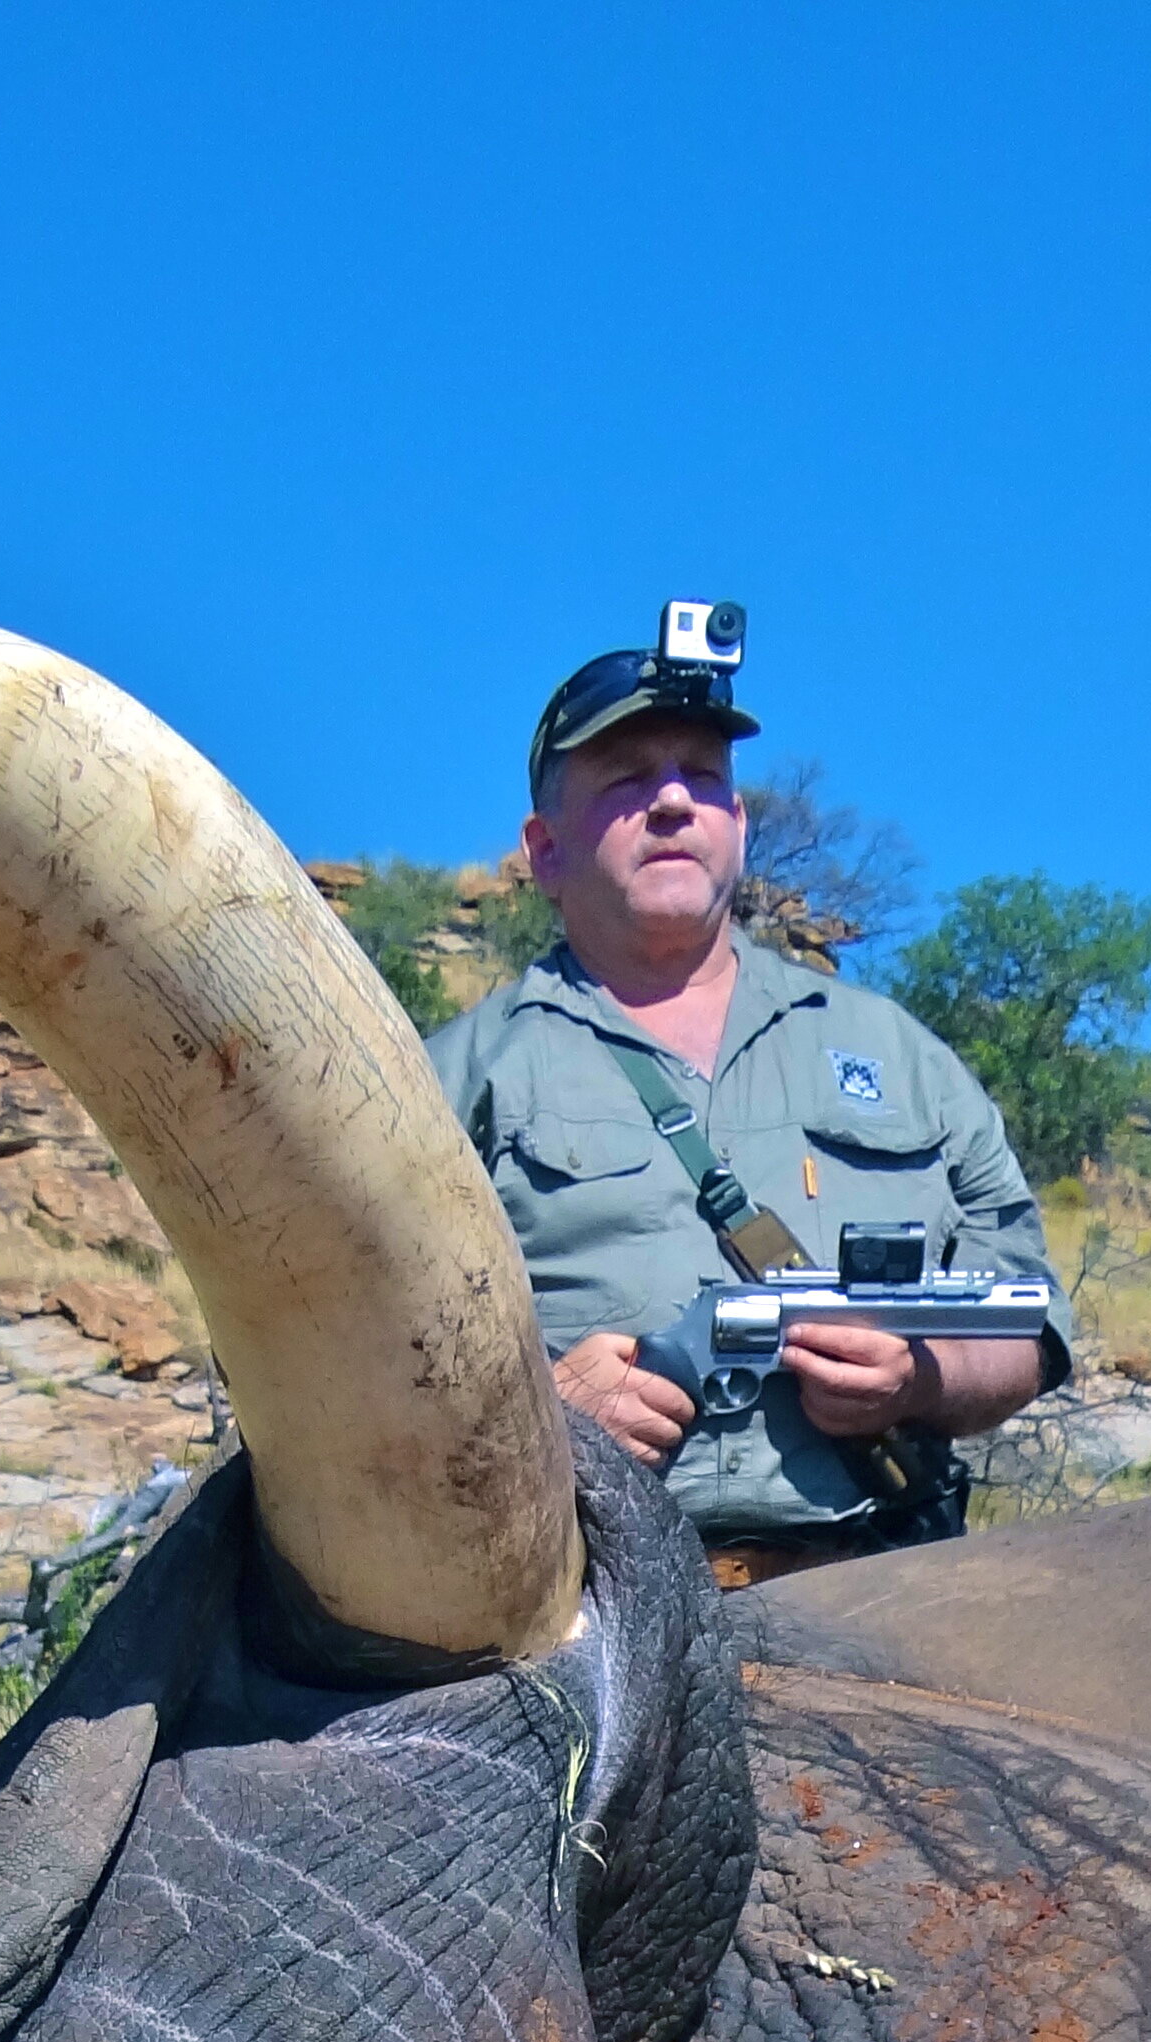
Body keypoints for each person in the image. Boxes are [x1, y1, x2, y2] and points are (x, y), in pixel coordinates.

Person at [425, 607, 1072, 1576]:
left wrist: (920, 1376)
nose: (674, 802)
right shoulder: (444, 1080)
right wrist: (536, 1418)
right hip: (575, 1597)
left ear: (740, 825)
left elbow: (1028, 1323)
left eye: (703, 778)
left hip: (883, 1583)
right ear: (545, 849)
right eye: (628, 779)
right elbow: (337, 1353)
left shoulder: (898, 1054)